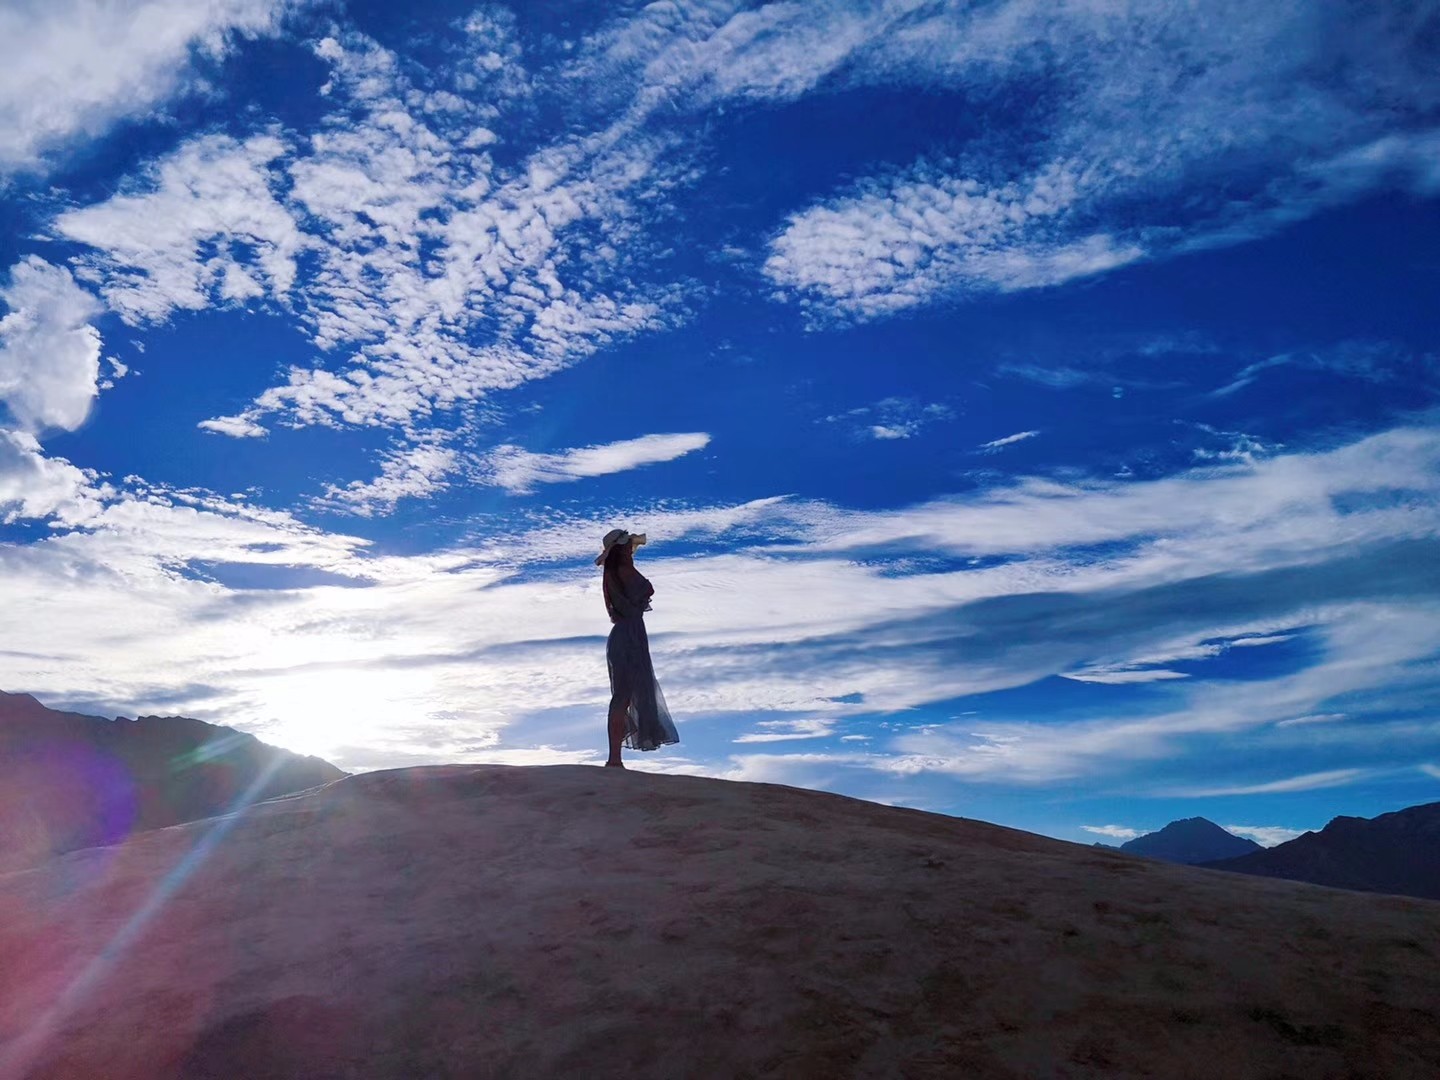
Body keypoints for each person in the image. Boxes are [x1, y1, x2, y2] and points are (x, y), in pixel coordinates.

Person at [596, 528, 679, 767]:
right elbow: (646, 589)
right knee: (623, 697)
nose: (631, 550)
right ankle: (614, 759)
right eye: (627, 546)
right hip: (629, 636)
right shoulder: (623, 569)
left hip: (626, 633)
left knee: (622, 696)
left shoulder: (614, 572)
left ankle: (614, 757)